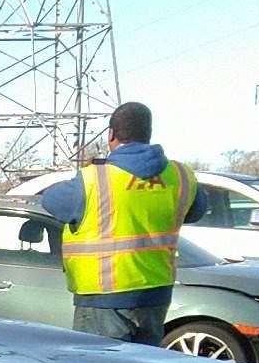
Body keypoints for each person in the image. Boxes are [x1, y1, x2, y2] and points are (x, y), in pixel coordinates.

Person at [38, 102, 211, 346]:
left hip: (103, 298)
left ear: (111, 135)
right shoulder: (181, 176)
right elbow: (197, 211)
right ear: (148, 134)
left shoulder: (94, 179)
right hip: (156, 295)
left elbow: (51, 200)